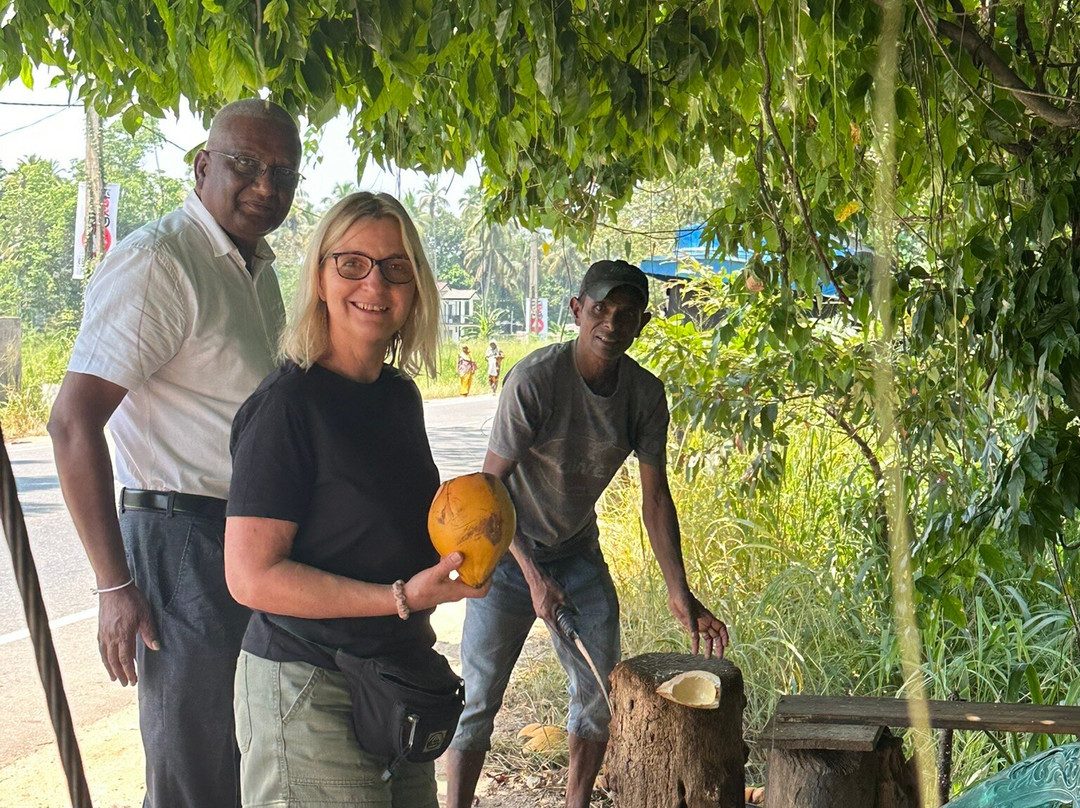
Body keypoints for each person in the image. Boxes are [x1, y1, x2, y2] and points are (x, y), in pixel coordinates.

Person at [47, 99, 302, 808]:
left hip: (247, 540)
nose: (264, 186)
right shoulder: (163, 262)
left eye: (282, 172)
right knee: (193, 770)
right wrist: (111, 585)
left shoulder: (254, 268)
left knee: (248, 751)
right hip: (180, 542)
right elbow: (72, 422)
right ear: (202, 167)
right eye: (244, 165)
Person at [224, 192, 486, 807]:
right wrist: (399, 598)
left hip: (397, 683)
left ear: (415, 287)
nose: (375, 283)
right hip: (308, 687)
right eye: (352, 264)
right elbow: (250, 577)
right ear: (319, 276)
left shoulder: (398, 397)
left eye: (397, 267)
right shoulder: (287, 406)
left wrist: (465, 554)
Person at [445, 260, 730, 808]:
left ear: (642, 324)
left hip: (576, 552)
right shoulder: (535, 380)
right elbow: (487, 490)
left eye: (626, 314)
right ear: (577, 310)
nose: (611, 323)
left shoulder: (645, 396)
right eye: (600, 309)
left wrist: (680, 591)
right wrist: (531, 577)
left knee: (601, 692)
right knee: (478, 700)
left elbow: (655, 499)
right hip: (505, 552)